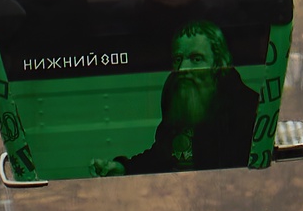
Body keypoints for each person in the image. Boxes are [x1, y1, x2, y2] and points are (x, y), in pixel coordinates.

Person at [95, 21, 260, 175]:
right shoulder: (177, 92)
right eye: (178, 59)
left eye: (196, 59)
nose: (183, 69)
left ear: (218, 64)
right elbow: (163, 154)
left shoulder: (247, 108)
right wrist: (124, 168)